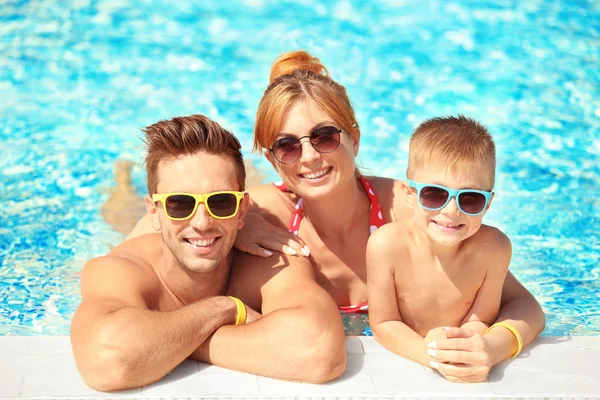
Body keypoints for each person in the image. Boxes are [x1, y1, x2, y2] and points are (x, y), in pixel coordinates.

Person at [126, 50, 546, 383]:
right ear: (274, 162)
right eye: (288, 146)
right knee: (122, 202)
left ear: (355, 139)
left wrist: (495, 345)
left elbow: (523, 303)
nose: (309, 157)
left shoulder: (406, 209)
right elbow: (141, 244)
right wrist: (231, 224)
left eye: (325, 137)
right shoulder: (255, 212)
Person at [72, 114, 346, 392]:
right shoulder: (119, 269)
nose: (202, 222)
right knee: (118, 216)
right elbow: (106, 362)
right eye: (179, 203)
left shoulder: (271, 261)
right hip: (138, 236)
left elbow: (320, 351)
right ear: (154, 212)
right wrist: (226, 309)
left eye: (221, 201)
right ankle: (122, 180)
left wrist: (168, 343)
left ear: (242, 211)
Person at [367, 115, 516, 374]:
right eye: (434, 194)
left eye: (470, 198)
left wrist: (463, 346)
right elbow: (384, 322)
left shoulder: (495, 249)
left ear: (488, 204)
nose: (451, 210)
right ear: (409, 194)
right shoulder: (386, 246)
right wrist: (430, 354)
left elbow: (481, 318)